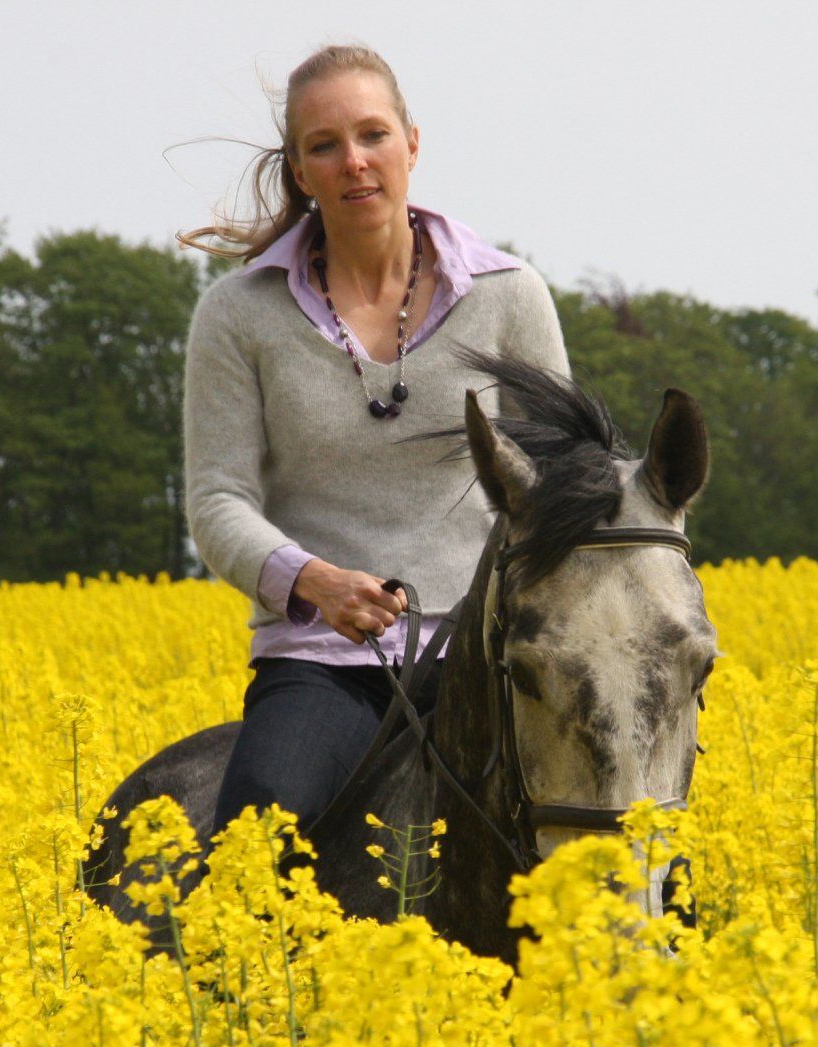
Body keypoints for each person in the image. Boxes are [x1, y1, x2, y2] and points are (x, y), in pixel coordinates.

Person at [178, 44, 570, 839]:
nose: (353, 162)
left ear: (411, 144)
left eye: (372, 135)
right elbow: (217, 501)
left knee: (642, 855)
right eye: (325, 146)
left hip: (495, 658)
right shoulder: (237, 314)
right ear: (299, 171)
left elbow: (564, 485)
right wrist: (314, 582)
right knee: (256, 841)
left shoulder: (510, 295)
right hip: (323, 664)